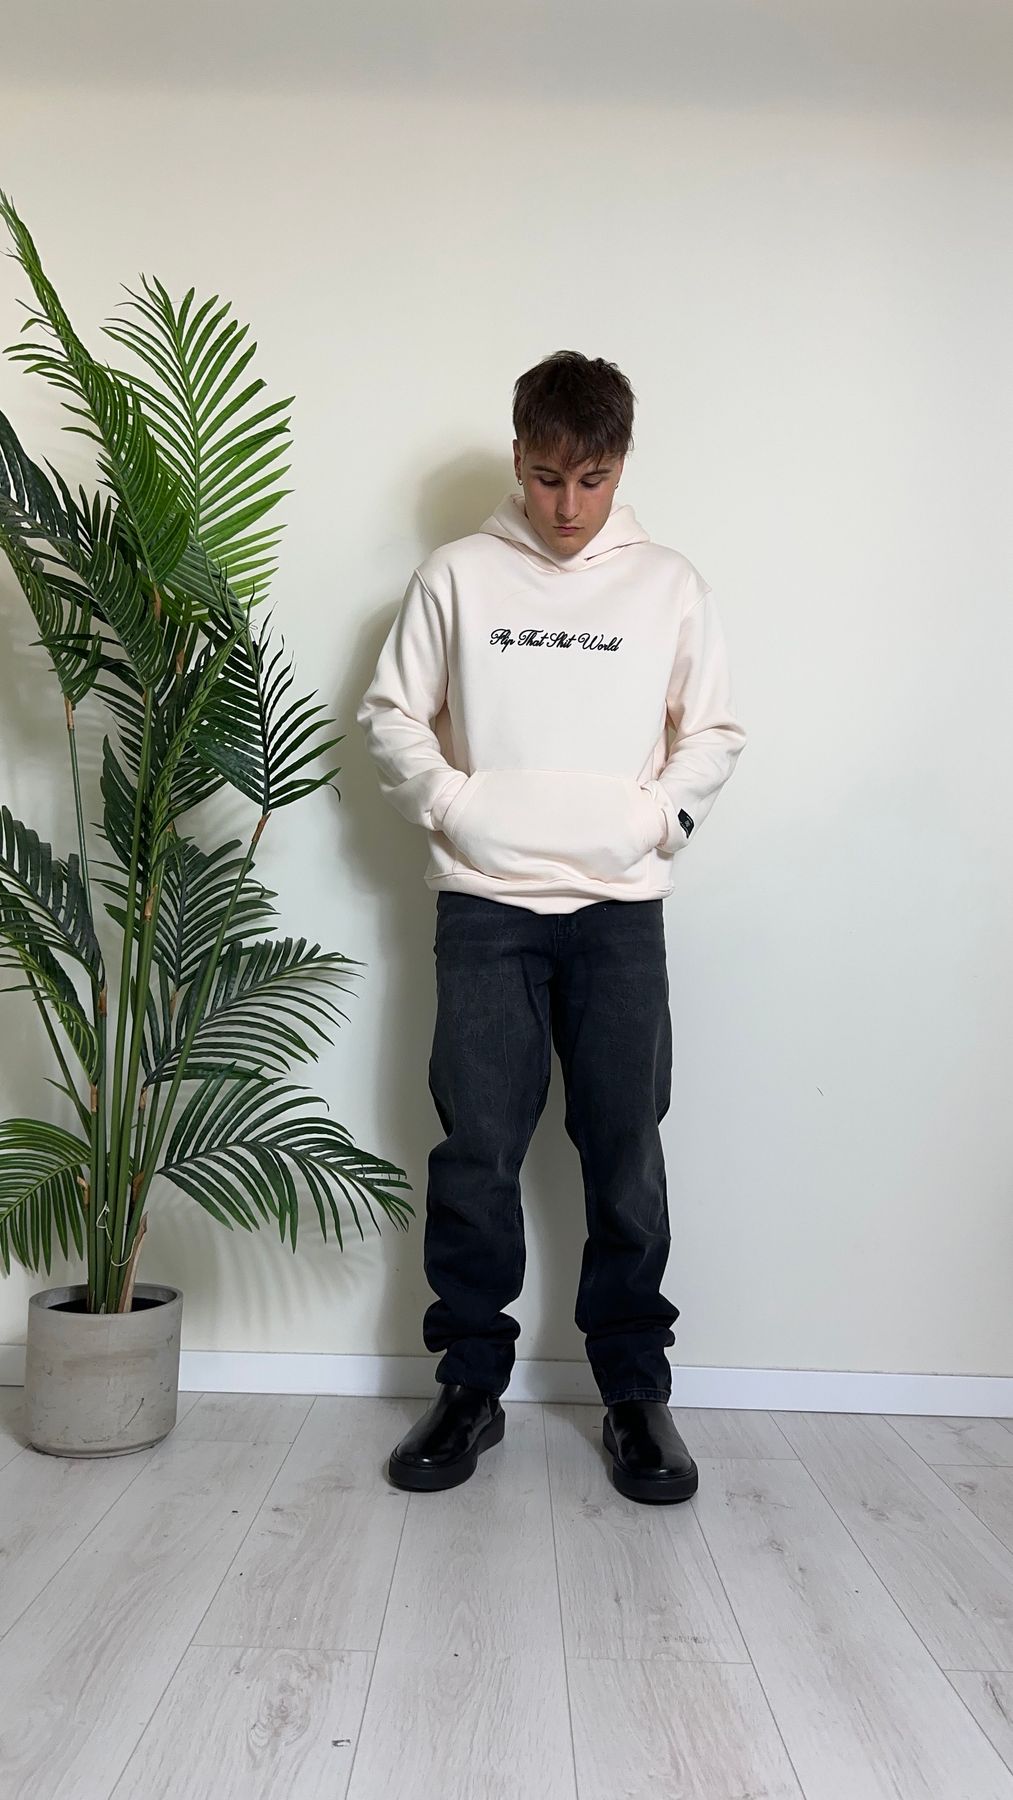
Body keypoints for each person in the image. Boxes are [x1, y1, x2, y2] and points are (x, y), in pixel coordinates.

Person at [356, 350, 747, 1504]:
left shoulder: (668, 584)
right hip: (485, 905)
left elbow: (712, 731)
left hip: (618, 912)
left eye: (589, 481)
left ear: (619, 465)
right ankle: (468, 1387)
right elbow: (391, 714)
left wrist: (654, 819)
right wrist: (456, 806)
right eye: (544, 478)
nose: (566, 508)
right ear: (518, 457)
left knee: (624, 1151)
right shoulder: (456, 575)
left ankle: (633, 1396)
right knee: (475, 1151)